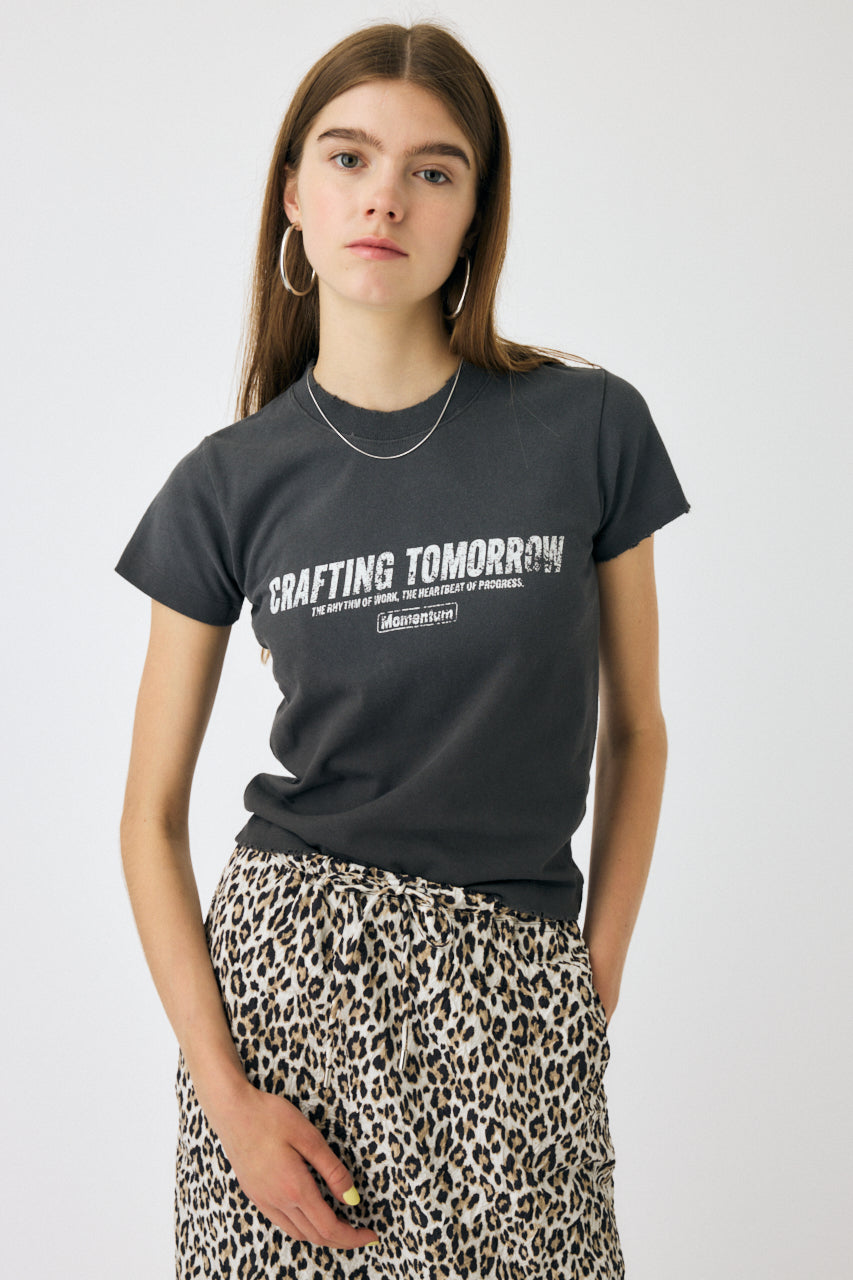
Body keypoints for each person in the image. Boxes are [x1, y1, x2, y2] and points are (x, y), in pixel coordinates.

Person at [117, 21, 689, 1280]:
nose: (385, 196)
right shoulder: (227, 484)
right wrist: (226, 1097)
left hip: (519, 995)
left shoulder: (589, 426)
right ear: (294, 194)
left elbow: (639, 728)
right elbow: (148, 815)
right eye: (348, 157)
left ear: (476, 211)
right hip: (287, 1019)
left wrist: (585, 985)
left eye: (434, 169)